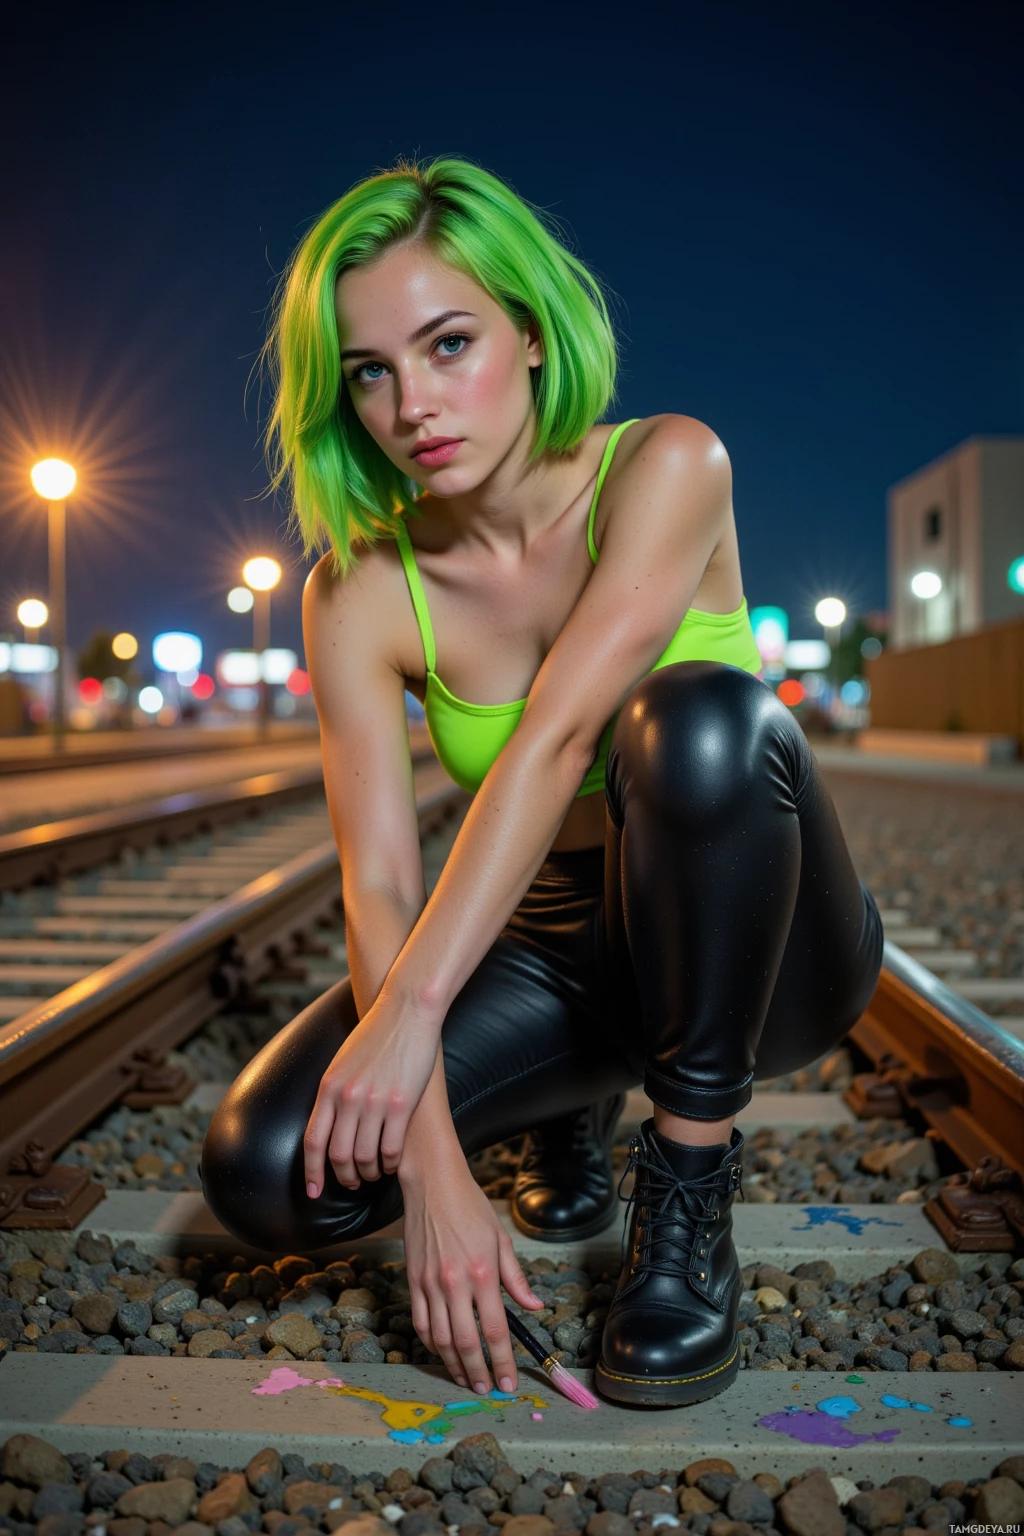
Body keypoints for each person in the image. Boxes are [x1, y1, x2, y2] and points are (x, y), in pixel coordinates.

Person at [200, 155, 884, 1408]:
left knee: (692, 721)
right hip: (553, 958)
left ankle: (684, 1209)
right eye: (370, 370)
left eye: (448, 342)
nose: (413, 402)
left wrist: (411, 1025)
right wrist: (433, 1170)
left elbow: (557, 741)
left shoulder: (666, 465)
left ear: (526, 331)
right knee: (266, 1168)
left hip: (757, 958)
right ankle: (558, 1106)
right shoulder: (356, 589)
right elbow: (380, 874)